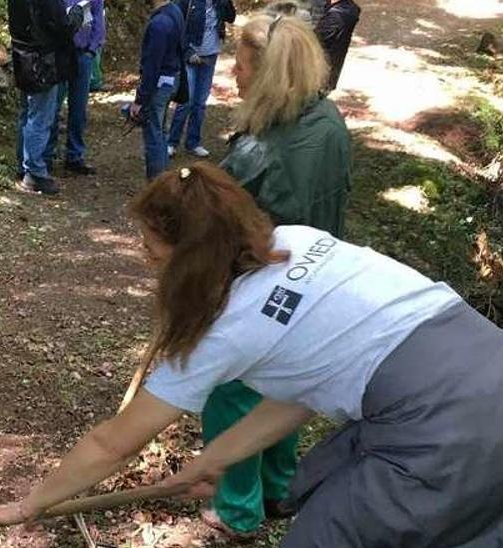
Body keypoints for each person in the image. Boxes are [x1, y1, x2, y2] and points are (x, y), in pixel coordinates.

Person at [0, 164, 503, 547]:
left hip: (444, 429)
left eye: (151, 248)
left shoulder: (223, 328)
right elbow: (301, 388)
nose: (146, 260)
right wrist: (212, 460)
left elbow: (113, 444)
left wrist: (36, 501)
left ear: (188, 255)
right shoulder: (297, 242)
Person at [193, 13, 353, 537]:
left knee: (231, 389)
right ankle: (281, 488)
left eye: (239, 65)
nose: (233, 76)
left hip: (266, 286)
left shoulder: (265, 149)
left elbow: (221, 228)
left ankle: (238, 509)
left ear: (264, 71)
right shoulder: (326, 119)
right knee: (285, 386)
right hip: (317, 282)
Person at [9, 0, 81, 194]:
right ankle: (34, 172)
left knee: (27, 114)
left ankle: (24, 166)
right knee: (40, 117)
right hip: (42, 60)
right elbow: (60, 26)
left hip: (24, 55)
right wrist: (76, 15)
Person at [166, 0, 235, 159]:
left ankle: (193, 142)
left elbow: (231, 18)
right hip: (190, 56)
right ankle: (172, 142)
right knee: (185, 101)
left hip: (210, 55)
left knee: (200, 103)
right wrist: (188, 52)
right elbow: (177, 27)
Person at [46, 0, 105, 176]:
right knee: (53, 106)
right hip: (60, 52)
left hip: (83, 53)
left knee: (79, 108)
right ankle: (48, 155)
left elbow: (98, 20)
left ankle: (74, 155)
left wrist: (91, 50)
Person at [131, 0, 185, 180]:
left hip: (160, 83)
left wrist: (140, 99)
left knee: (154, 133)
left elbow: (152, 65)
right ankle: (164, 178)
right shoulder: (175, 12)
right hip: (171, 80)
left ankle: (157, 183)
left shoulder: (159, 24)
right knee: (161, 131)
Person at [315, 0, 360, 91]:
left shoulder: (336, 16)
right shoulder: (348, 8)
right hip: (330, 70)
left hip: (320, 74)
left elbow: (313, 42)